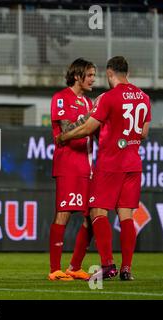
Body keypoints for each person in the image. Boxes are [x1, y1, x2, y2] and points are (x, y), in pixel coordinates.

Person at [57, 56, 151, 281]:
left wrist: (64, 137)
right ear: (126, 72)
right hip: (133, 163)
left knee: (97, 211)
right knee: (126, 214)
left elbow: (88, 128)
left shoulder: (109, 98)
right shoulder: (144, 98)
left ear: (110, 74)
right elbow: (144, 133)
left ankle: (108, 264)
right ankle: (126, 269)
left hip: (111, 163)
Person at [48, 58, 96, 281]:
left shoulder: (88, 103)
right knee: (64, 214)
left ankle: (75, 266)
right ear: (77, 76)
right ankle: (55, 269)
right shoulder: (60, 98)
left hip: (87, 167)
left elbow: (93, 130)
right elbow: (66, 129)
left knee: (92, 217)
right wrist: (92, 118)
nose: (93, 79)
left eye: (94, 75)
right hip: (68, 164)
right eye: (90, 75)